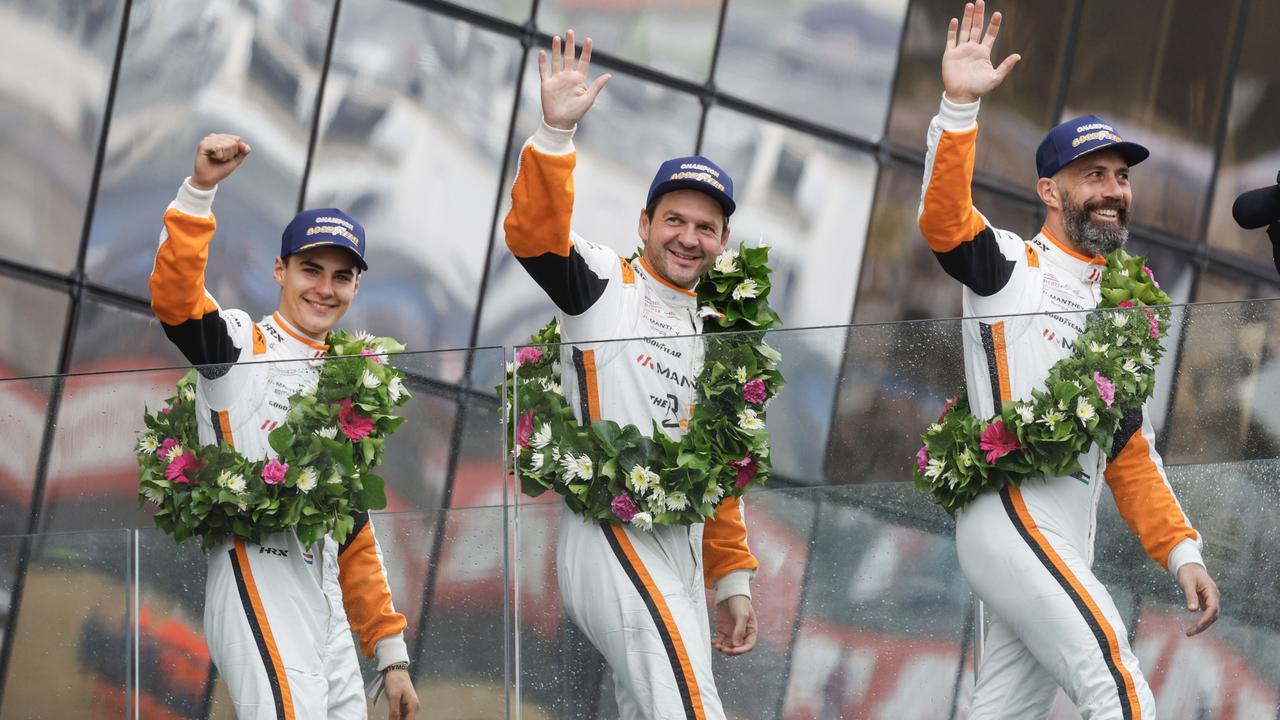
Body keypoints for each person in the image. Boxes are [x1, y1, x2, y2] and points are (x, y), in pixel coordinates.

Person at [918, 3, 1221, 717]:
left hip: (1061, 543)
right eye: (1093, 175)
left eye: (1120, 176)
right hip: (1009, 520)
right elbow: (941, 219)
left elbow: (1130, 453)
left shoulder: (1125, 310)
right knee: (1116, 682)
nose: (1113, 190)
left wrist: (1184, 553)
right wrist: (959, 108)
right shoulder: (1008, 267)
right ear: (1050, 192)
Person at [503, 30, 759, 720]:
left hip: (677, 545)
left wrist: (731, 577)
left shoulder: (723, 327)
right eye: (674, 219)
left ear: (723, 241)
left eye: (706, 227)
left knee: (654, 707)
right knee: (690, 707)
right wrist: (555, 134)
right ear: (644, 222)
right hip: (608, 532)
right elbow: (532, 235)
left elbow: (720, 467)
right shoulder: (602, 285)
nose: (688, 237)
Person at [149, 134, 420, 720]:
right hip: (255, 574)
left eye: (342, 277)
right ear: (279, 270)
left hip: (322, 600)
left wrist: (390, 656)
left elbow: (352, 530)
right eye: (311, 269)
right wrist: (200, 191)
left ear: (356, 288)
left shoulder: (348, 383)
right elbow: (174, 299)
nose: (325, 288)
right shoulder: (241, 343)